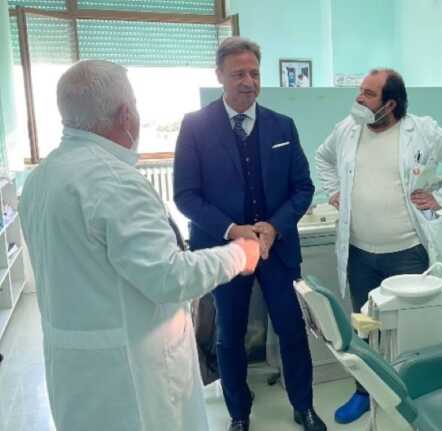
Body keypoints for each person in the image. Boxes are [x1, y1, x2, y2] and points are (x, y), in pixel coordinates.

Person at [19, 59, 261, 431]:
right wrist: (238, 254)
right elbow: (169, 277)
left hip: (77, 370)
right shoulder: (113, 181)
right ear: (125, 115)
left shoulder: (43, 176)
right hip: (133, 377)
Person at [174, 37, 325, 431]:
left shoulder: (282, 125)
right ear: (219, 76)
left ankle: (304, 406)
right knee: (230, 334)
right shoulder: (195, 127)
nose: (248, 81)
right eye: (238, 73)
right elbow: (185, 195)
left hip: (277, 248)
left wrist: (274, 225)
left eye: (254, 73)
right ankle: (239, 413)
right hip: (225, 251)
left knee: (292, 329)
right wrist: (233, 230)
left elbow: (303, 187)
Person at [315, 68, 442, 424]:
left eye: (368, 93)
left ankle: (411, 395)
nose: (359, 98)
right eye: (360, 90)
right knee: (364, 328)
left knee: (410, 330)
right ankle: (364, 393)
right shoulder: (347, 129)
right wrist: (333, 191)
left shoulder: (422, 131)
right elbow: (321, 157)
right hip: (359, 253)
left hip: (408, 252)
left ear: (390, 104)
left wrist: (441, 198)